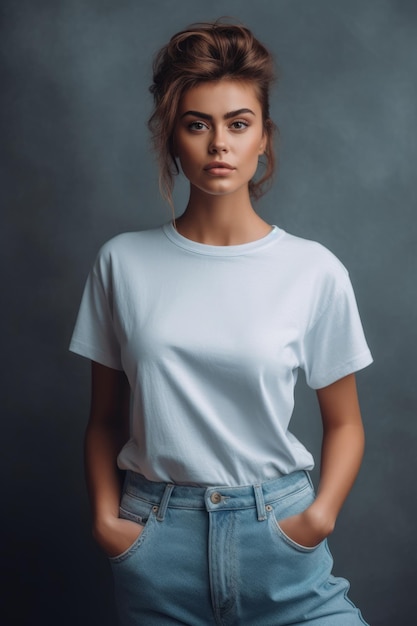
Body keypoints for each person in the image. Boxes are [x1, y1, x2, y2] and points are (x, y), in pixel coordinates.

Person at [70, 21, 373, 625]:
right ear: (172, 140)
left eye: (238, 124)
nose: (219, 145)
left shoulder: (313, 270)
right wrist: (109, 524)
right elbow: (104, 419)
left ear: (263, 138)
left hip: (279, 542)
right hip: (157, 545)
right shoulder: (121, 262)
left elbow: (345, 424)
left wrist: (317, 519)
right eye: (197, 124)